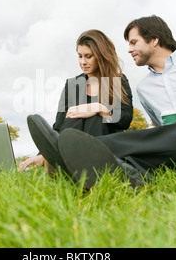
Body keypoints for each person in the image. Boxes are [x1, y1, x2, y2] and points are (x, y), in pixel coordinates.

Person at [27, 15, 176, 188]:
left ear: (155, 40)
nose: (128, 50)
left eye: (133, 42)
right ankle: (123, 173)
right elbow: (161, 134)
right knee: (157, 141)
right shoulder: (145, 88)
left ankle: (73, 154)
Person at [19, 29, 133, 172]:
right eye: (79, 56)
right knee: (74, 115)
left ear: (101, 56)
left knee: (94, 116)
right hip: (74, 141)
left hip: (105, 143)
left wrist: (100, 108)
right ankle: (60, 160)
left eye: (88, 56)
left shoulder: (118, 81)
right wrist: (42, 155)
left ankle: (85, 164)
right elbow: (60, 125)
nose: (83, 62)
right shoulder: (72, 85)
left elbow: (126, 119)